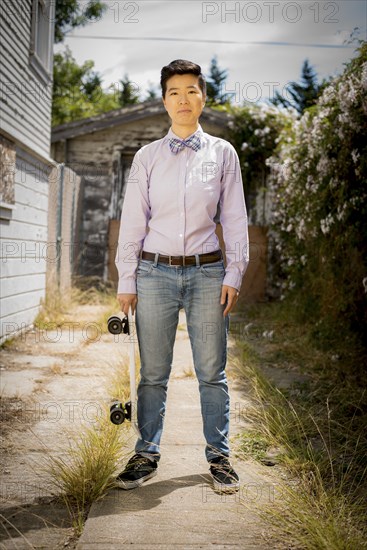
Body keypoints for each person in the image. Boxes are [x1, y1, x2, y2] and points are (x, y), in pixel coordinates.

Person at [114, 59, 249, 493]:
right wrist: (126, 279)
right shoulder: (147, 157)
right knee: (153, 372)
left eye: (191, 91)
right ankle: (146, 453)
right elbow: (133, 220)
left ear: (203, 97)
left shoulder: (223, 153)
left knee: (212, 371)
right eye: (175, 92)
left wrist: (235, 272)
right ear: (165, 101)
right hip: (153, 273)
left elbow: (235, 218)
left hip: (209, 274)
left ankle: (220, 458)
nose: (183, 100)